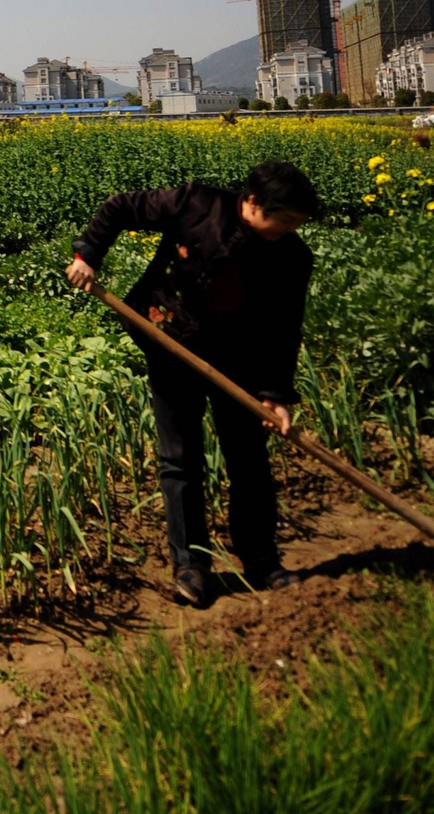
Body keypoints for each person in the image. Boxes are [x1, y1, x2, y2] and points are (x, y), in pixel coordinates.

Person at [65, 159, 322, 606]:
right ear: (253, 202)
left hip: (240, 361)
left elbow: (284, 330)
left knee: (249, 461)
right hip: (171, 342)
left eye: (298, 223)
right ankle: (191, 567)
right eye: (285, 220)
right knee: (180, 459)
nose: (290, 230)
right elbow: (120, 207)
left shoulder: (292, 257)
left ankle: (262, 562)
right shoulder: (196, 203)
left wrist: (275, 395)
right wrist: (88, 256)